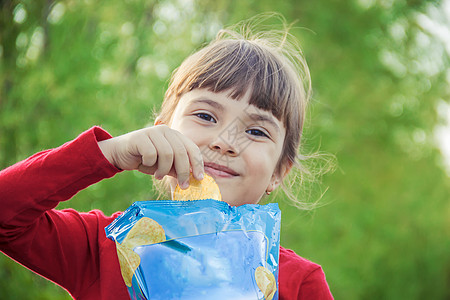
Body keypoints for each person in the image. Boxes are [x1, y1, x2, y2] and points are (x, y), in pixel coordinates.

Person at [0, 15, 333, 299]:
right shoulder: (106, 247)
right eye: (205, 116)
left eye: (257, 131)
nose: (223, 142)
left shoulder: (297, 283)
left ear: (279, 172)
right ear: (160, 132)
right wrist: (109, 153)